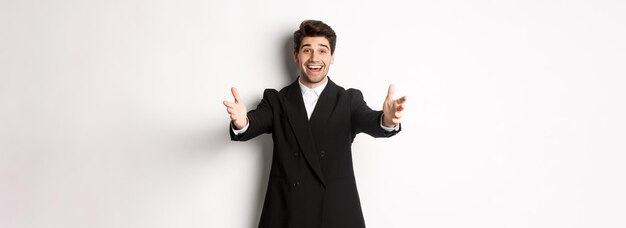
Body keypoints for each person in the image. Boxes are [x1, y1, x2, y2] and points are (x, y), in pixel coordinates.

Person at [223, 20, 407, 228]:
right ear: (296, 55)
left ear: (332, 57)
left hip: (335, 213)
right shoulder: (277, 100)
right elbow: (253, 123)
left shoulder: (348, 100)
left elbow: (370, 120)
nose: (314, 58)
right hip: (287, 213)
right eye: (307, 50)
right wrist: (242, 121)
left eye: (322, 51)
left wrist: (386, 120)